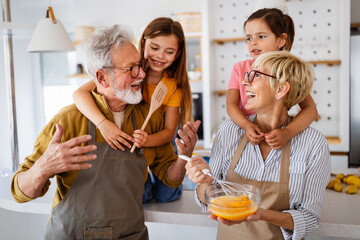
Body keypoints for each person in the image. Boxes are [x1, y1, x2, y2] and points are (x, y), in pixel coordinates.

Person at [11, 25, 199, 240]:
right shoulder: (68, 121)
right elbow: (19, 192)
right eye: (132, 69)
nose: (143, 74)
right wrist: (42, 168)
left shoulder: (151, 117)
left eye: (140, 65)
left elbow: (171, 179)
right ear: (102, 78)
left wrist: (184, 155)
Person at [185, 51, 331, 240]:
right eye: (247, 75)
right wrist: (205, 183)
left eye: (256, 75)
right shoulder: (230, 131)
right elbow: (207, 200)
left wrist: (260, 214)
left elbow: (310, 219)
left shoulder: (313, 144)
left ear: (280, 90)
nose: (245, 82)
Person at [72, 17, 192, 203]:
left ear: (177, 55)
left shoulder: (172, 87)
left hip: (159, 140)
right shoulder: (126, 72)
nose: (160, 56)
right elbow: (79, 93)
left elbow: (169, 131)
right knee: (141, 196)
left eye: (169, 51)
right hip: (134, 138)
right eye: (155, 48)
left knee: (166, 196)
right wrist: (103, 124)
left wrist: (148, 140)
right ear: (143, 43)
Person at [226, 8, 318, 150]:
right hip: (247, 136)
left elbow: (310, 109)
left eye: (261, 37)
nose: (253, 43)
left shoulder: (287, 71)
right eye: (249, 38)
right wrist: (247, 125)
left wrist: (287, 132)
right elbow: (231, 105)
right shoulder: (239, 68)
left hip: (277, 139)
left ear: (281, 40)